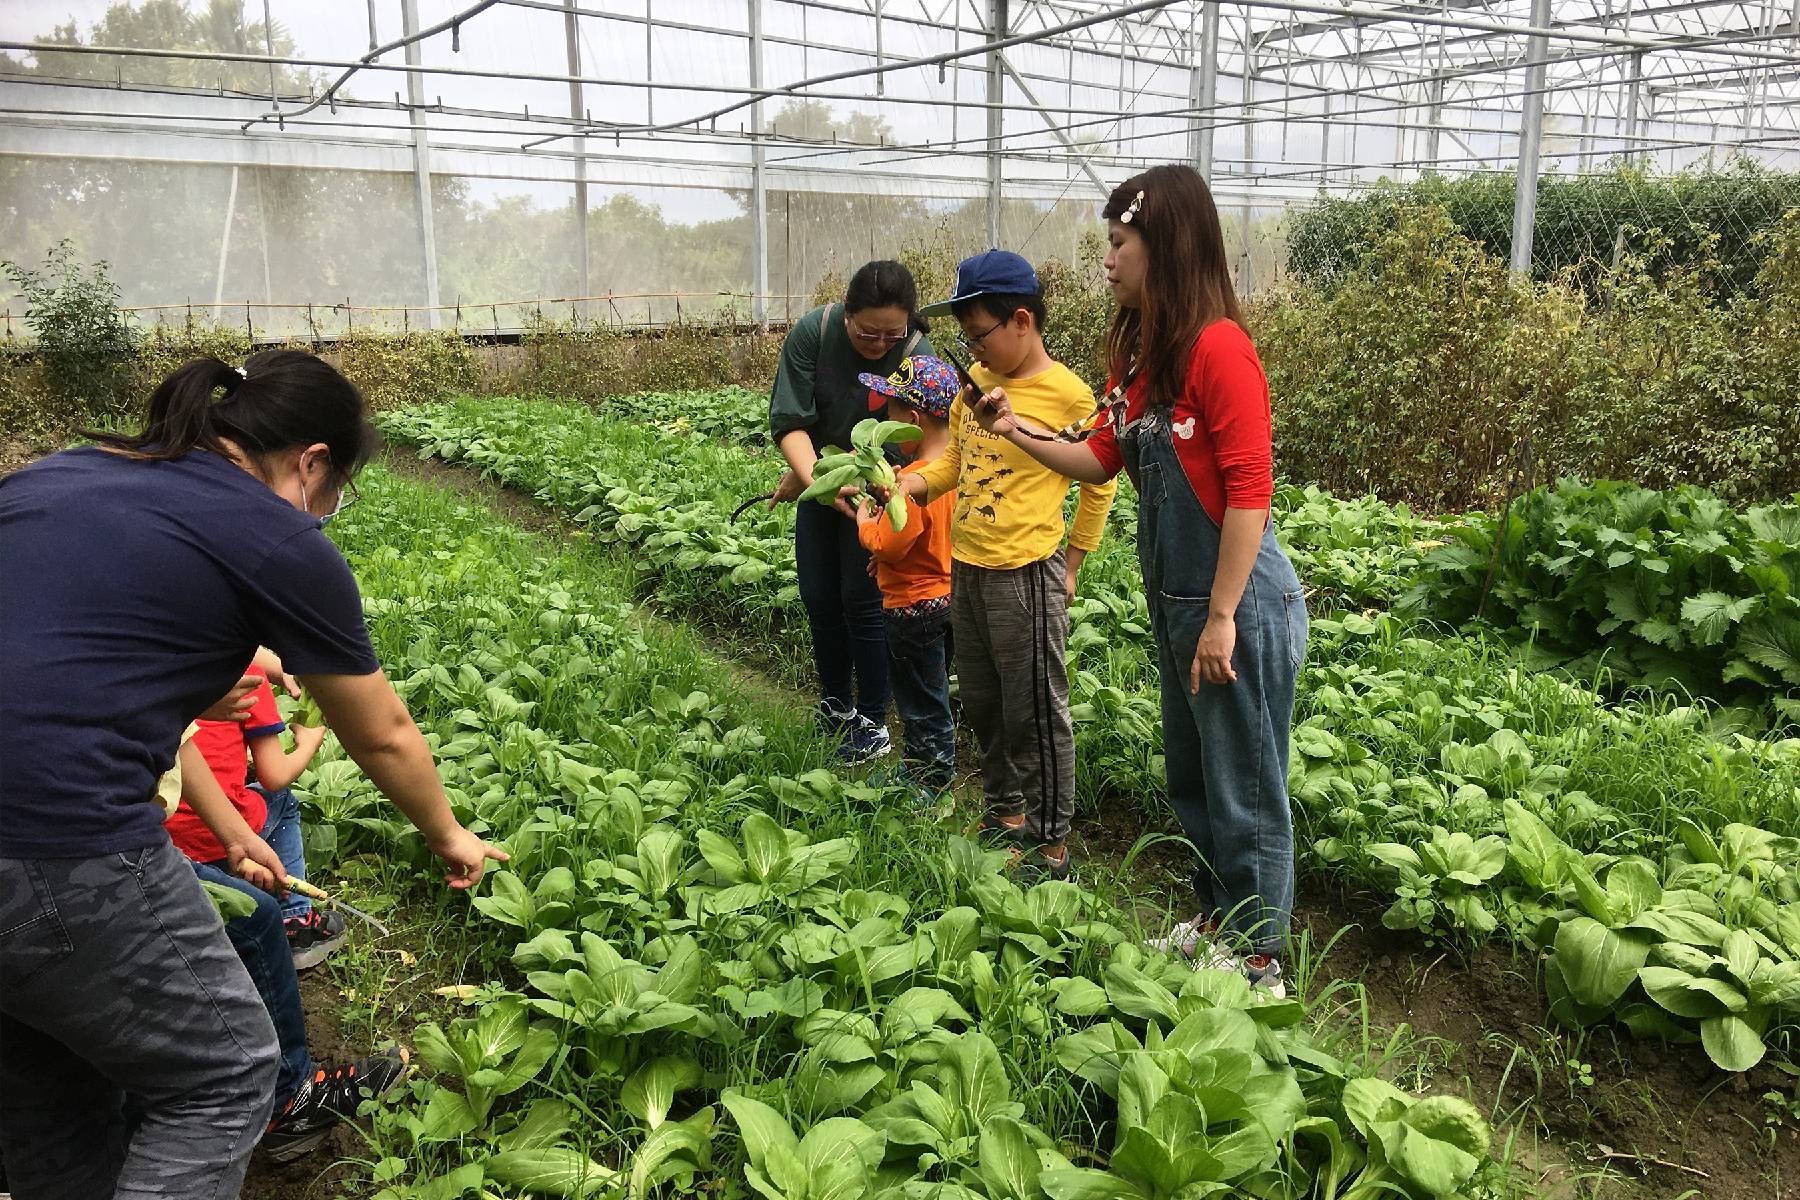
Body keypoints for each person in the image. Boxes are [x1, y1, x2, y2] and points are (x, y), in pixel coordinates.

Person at [0, 349, 507, 1197]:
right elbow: (381, 734)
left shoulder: (64, 475)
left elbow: (69, 680)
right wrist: (451, 835)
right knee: (225, 1071)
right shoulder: (272, 533)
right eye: (339, 487)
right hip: (53, 840)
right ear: (311, 463)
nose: (331, 509)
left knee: (55, 1083)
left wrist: (233, 829)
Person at [969, 165, 1308, 996]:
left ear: (1169, 245)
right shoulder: (1145, 360)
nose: (1108, 262)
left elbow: (1249, 492)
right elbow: (1097, 460)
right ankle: (1218, 922)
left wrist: (1222, 616)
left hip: (1236, 606)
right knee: (1194, 778)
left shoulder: (1219, 349)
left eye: (1119, 244)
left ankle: (1259, 959)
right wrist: (1015, 429)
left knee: (1246, 785)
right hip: (1182, 604)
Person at [899, 250, 1117, 882]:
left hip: (1026, 571)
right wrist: (905, 487)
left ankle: (1051, 846)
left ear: (1022, 320)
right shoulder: (973, 384)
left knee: (1036, 712)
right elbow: (955, 467)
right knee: (986, 702)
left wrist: (1073, 561)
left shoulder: (1069, 393)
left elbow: (1100, 481)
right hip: (968, 565)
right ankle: (1006, 814)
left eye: (981, 333)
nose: (974, 348)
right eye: (966, 337)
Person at [768, 260, 935, 764]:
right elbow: (792, 420)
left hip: (882, 492)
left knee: (863, 602)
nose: (879, 343)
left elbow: (923, 436)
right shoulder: (812, 334)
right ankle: (836, 703)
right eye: (867, 331)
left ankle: (872, 719)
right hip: (825, 480)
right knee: (820, 596)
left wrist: (875, 487)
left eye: (892, 333)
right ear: (845, 312)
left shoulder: (915, 353)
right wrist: (817, 478)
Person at [167, 660, 347, 968]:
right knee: (280, 800)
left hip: (160, 833)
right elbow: (274, 775)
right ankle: (296, 921)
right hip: (218, 833)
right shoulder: (248, 676)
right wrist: (308, 743)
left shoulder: (156, 667)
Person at [852, 356, 961, 805]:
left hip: (912, 608)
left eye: (892, 411)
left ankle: (931, 781)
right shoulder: (958, 473)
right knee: (933, 689)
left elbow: (894, 543)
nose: (885, 418)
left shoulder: (914, 482)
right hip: (950, 599)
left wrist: (865, 525)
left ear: (912, 421)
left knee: (919, 698)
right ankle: (920, 766)